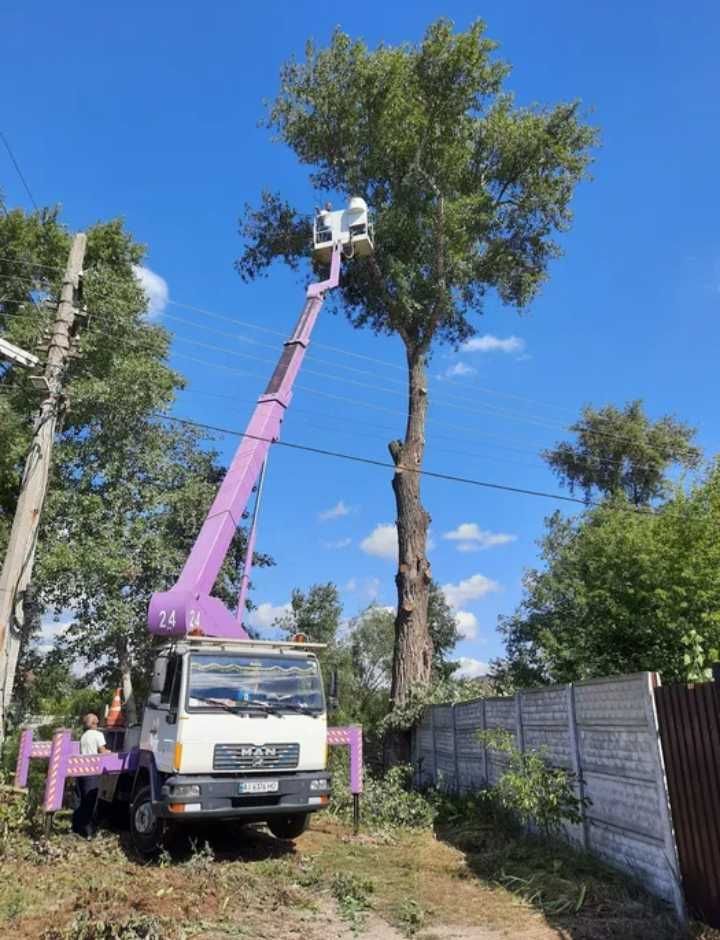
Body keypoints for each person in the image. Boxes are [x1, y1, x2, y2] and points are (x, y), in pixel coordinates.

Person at [71, 713, 110, 838]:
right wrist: (109, 752)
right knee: (90, 801)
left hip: (80, 771)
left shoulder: (84, 736)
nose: (98, 725)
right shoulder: (98, 735)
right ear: (94, 724)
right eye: (97, 723)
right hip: (92, 771)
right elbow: (102, 752)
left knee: (80, 799)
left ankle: (76, 827)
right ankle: (88, 831)